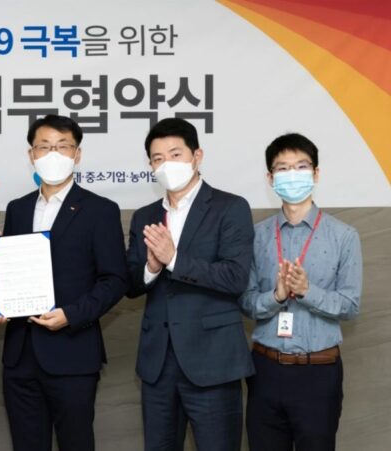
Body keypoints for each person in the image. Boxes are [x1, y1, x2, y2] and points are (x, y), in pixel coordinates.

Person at [0, 114, 128, 451]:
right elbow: (9, 272)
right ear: (32, 155)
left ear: (77, 154)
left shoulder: (100, 210)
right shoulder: (17, 209)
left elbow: (115, 279)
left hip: (73, 353)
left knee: (76, 443)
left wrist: (71, 314)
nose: (52, 154)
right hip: (20, 355)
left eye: (62, 146)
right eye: (44, 147)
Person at [126, 118, 254, 450]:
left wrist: (174, 259)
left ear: (197, 156)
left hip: (213, 362)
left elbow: (235, 277)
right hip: (158, 364)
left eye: (175, 154)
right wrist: (151, 268)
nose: (166, 164)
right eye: (157, 158)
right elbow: (131, 284)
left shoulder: (230, 207)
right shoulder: (144, 216)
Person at [239, 133, 362, 451]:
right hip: (265, 370)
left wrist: (307, 291)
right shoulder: (256, 236)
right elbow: (246, 302)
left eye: (301, 166)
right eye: (282, 168)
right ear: (270, 178)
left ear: (316, 173)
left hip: (317, 372)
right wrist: (276, 297)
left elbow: (350, 305)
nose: (292, 175)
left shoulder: (344, 236)